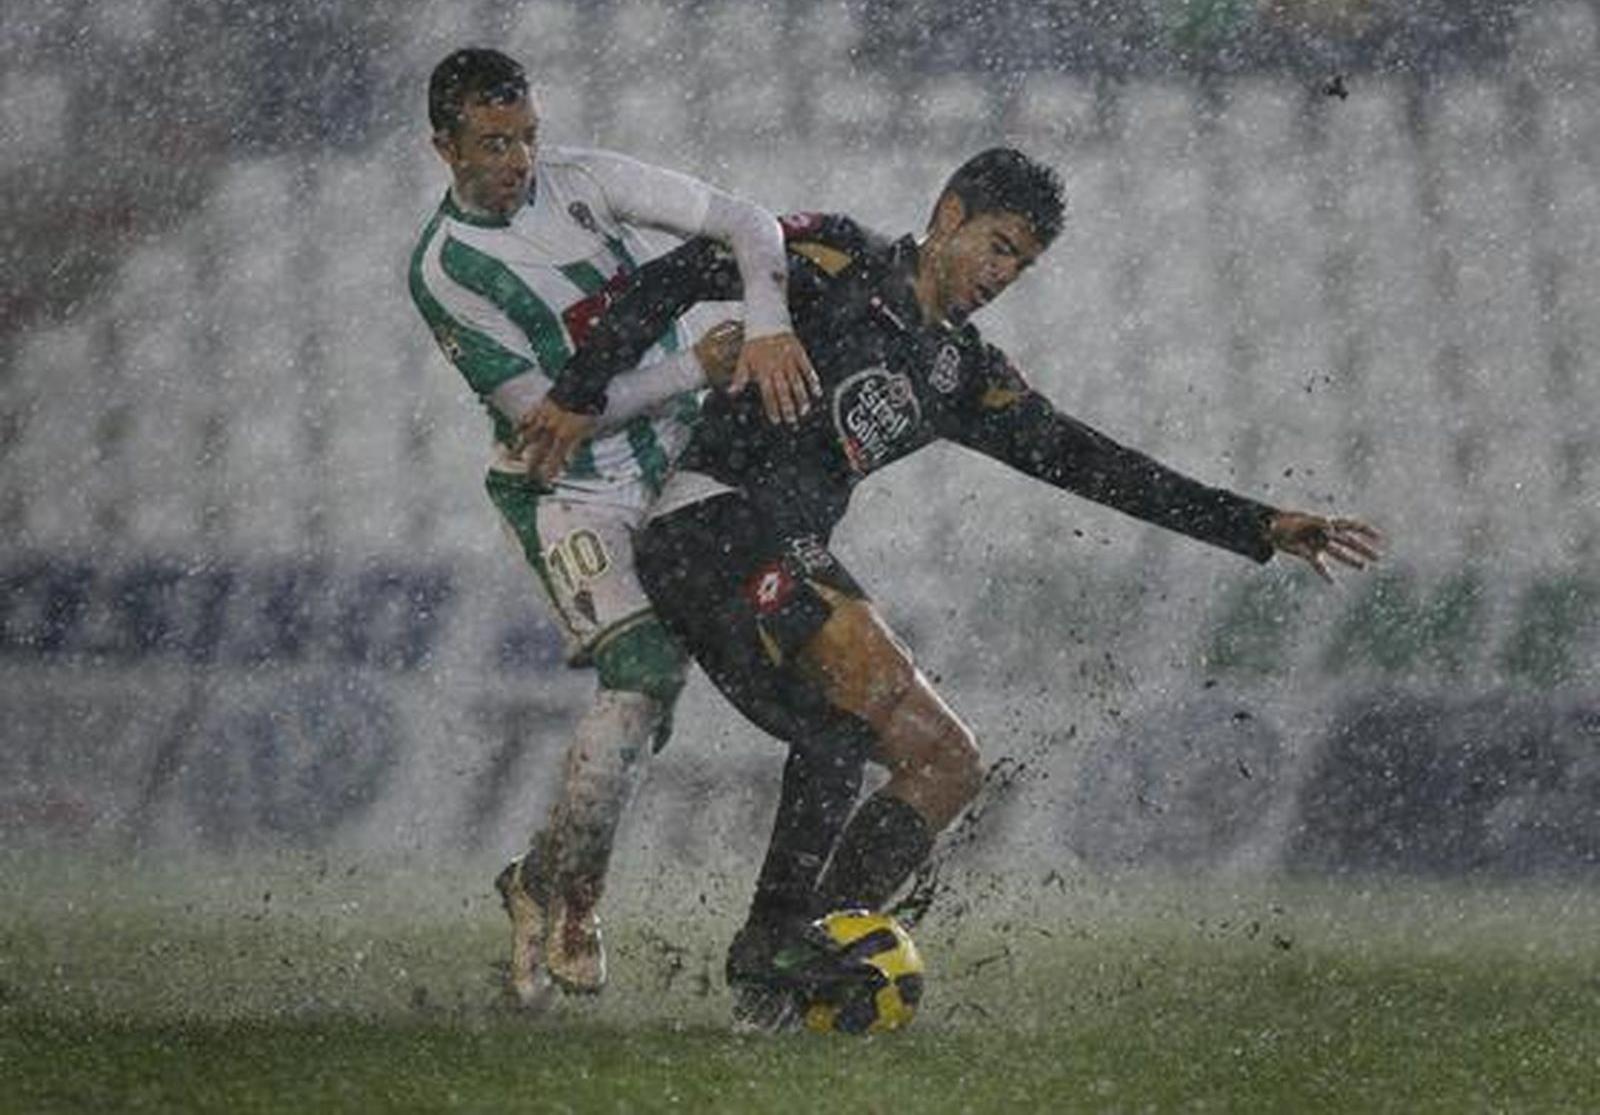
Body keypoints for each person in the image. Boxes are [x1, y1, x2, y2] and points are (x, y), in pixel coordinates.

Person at [524, 147, 1383, 1027]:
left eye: (1023, 265)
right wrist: (578, 395)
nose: (1002, 275)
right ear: (948, 217)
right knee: (867, 667)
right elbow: (675, 275)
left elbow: (1090, 460)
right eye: (999, 246)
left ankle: (788, 970)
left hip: (775, 559)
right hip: (709, 522)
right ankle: (772, 938)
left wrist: (1254, 524)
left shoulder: (960, 372)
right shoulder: (837, 260)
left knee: (940, 760)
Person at [406, 48, 821, 1009]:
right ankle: (577, 904)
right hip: (570, 492)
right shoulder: (445, 271)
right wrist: (692, 369)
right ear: (444, 148)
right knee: (644, 675)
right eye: (493, 143)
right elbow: (543, 419)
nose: (519, 161)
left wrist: (765, 323)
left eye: (527, 137)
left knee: (653, 707)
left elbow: (749, 221)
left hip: (679, 463)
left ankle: (536, 882)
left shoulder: (586, 182)